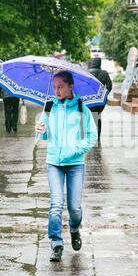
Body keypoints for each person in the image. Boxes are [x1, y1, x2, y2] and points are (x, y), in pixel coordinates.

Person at [35, 70, 98, 262]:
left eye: (60, 87)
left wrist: (76, 149)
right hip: (54, 162)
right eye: (54, 87)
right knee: (56, 204)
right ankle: (56, 244)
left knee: (74, 208)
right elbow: (42, 138)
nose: (56, 91)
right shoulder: (49, 107)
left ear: (71, 86)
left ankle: (74, 229)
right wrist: (40, 130)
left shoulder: (81, 108)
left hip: (75, 164)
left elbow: (91, 137)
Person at [88, 57, 112, 141]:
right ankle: (97, 136)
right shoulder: (104, 73)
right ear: (100, 63)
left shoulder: (87, 73)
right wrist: (104, 95)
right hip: (99, 100)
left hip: (88, 99)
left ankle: (90, 135)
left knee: (89, 116)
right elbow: (109, 86)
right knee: (98, 116)